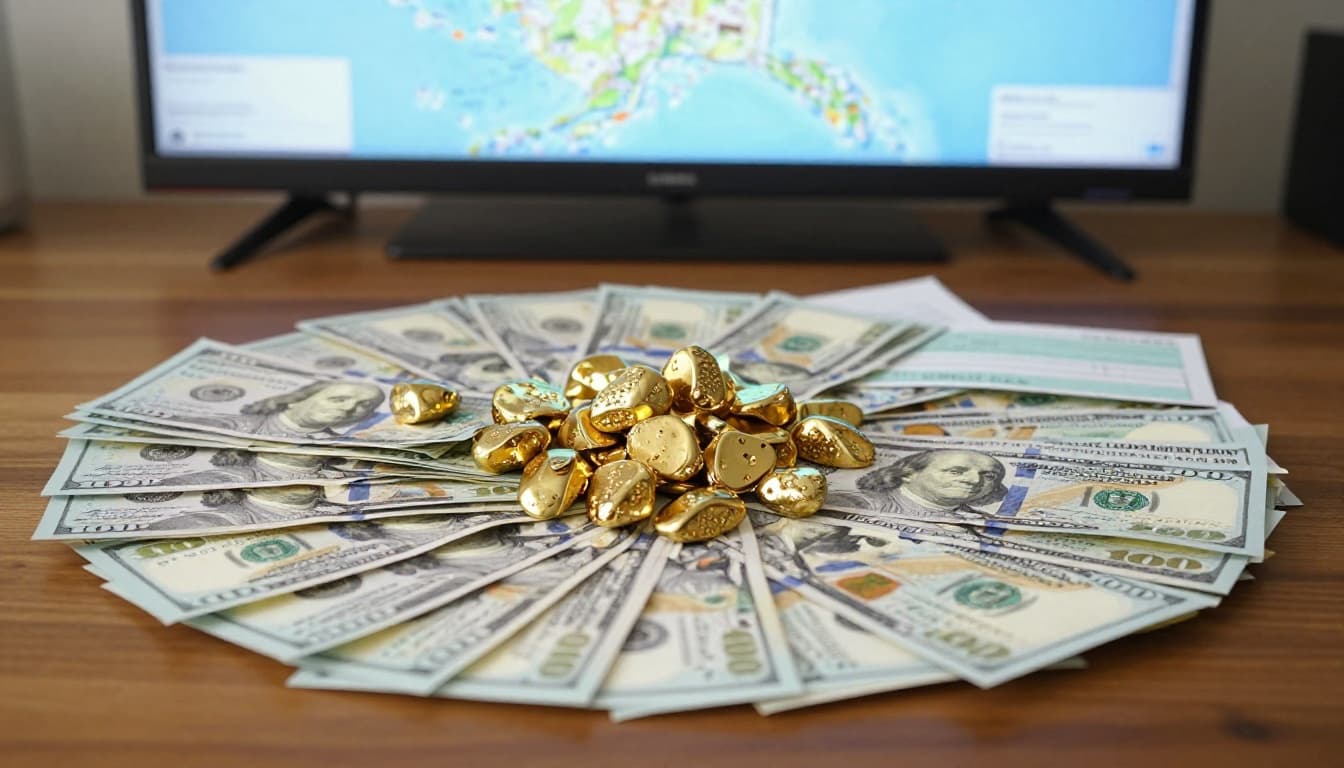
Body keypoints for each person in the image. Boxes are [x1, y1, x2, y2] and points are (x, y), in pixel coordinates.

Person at [830, 448, 1009, 522]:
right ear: (909, 474)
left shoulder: (983, 520)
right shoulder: (854, 503)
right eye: (955, 471)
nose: (974, 480)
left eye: (989, 476)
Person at [236, 381, 385, 439]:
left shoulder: (338, 446)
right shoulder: (236, 424)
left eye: (364, 405)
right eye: (338, 399)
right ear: (298, 399)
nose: (348, 408)